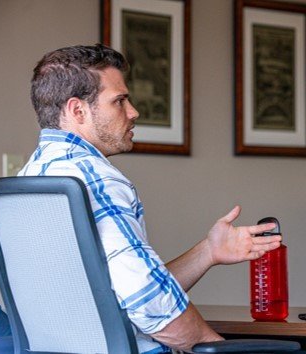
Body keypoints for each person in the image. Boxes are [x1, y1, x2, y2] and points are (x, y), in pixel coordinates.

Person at [18, 44, 281, 354]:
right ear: (79, 111)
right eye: (119, 101)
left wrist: (208, 251)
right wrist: (217, 349)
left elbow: (119, 288)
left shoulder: (29, 177)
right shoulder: (93, 177)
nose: (133, 112)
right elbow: (146, 295)